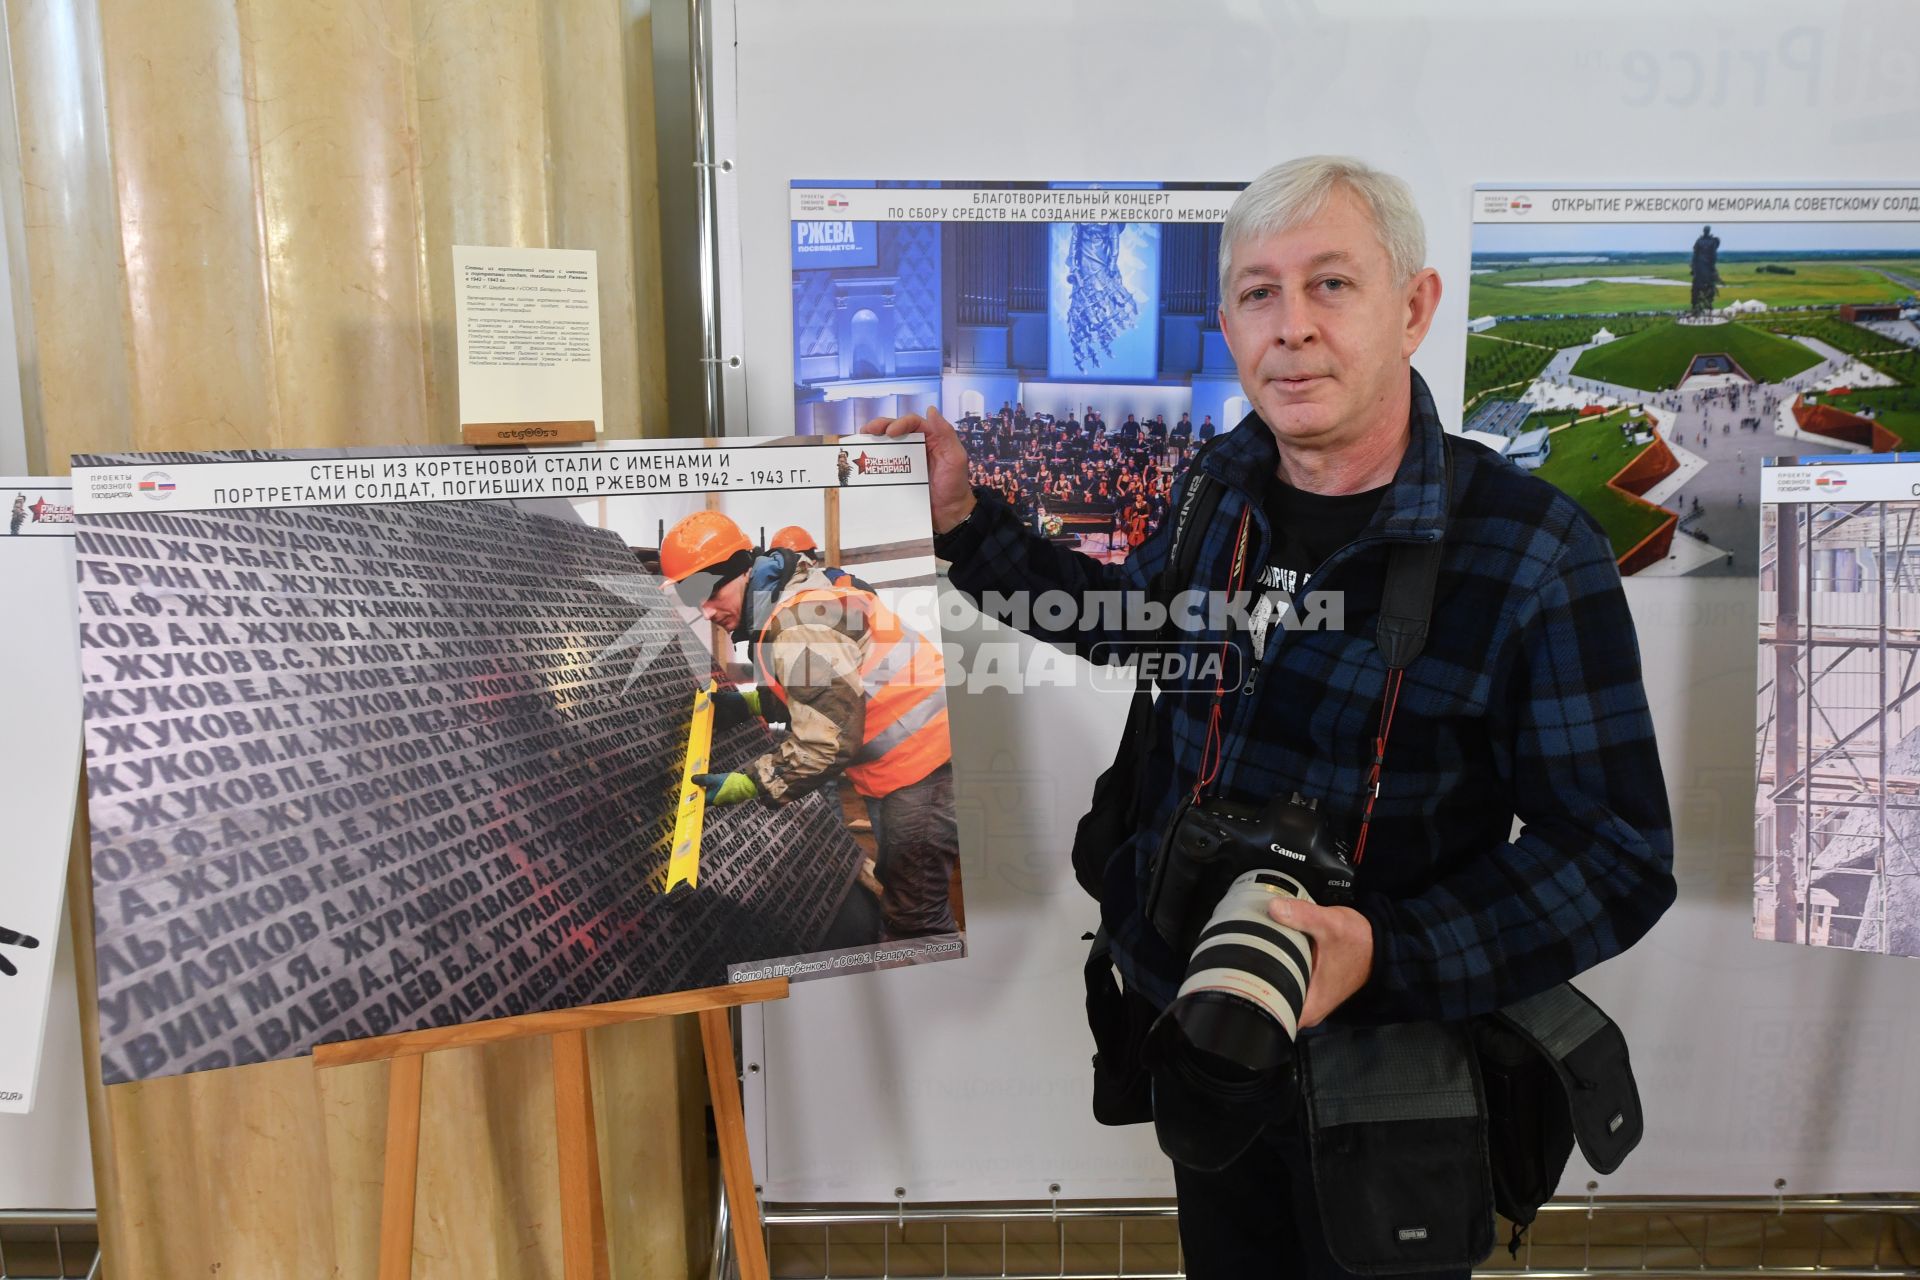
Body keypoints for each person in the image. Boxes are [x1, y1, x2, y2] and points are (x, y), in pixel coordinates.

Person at [861, 155, 1673, 1278]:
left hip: (1395, 1065)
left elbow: (1620, 856)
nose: (1291, 327)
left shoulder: (1532, 551)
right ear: (1230, 323)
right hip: (1202, 1020)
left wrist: (1382, 948)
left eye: (1331, 284)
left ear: (1415, 307)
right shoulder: (1219, 487)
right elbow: (1130, 623)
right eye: (1258, 292)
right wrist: (960, 522)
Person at [659, 511, 961, 940]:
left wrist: (750, 783)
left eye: (708, 591)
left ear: (742, 572)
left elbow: (828, 741)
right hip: (915, 764)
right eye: (691, 599)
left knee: (916, 918)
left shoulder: (798, 625)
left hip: (923, 769)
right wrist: (749, 703)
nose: (705, 610)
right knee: (905, 891)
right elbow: (821, 690)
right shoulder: (795, 595)